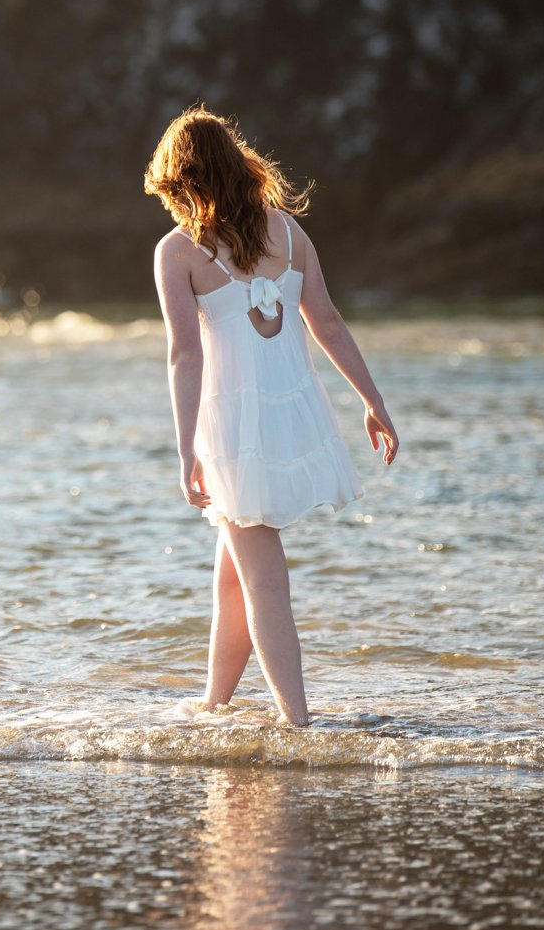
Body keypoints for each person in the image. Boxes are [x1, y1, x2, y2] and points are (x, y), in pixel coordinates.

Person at [145, 108, 399, 727]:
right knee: (234, 571)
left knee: (263, 578)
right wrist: (373, 401)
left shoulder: (178, 251)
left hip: (234, 427)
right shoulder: (287, 232)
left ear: (183, 182)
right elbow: (328, 322)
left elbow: (185, 352)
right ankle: (214, 705)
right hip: (293, 413)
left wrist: (186, 451)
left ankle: (297, 722)